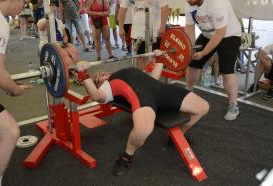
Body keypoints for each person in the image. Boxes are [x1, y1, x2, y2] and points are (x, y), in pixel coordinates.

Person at [76, 50, 209, 176]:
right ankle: (126, 156)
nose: (104, 73)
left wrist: (160, 58)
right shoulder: (108, 86)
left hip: (163, 90)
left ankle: (178, 136)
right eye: (100, 76)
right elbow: (96, 96)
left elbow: (153, 78)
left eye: (104, 72)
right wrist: (84, 75)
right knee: (142, 130)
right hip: (144, 98)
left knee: (203, 107)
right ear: (98, 83)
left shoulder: (127, 72)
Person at [0, 0, 32, 185]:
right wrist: (14, 89)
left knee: (8, 130)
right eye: (24, 1)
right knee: (9, 132)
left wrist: (6, 83)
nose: (24, 5)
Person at [184, 0, 241, 121]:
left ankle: (233, 105)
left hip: (229, 35)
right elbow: (189, 27)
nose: (189, 1)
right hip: (207, 35)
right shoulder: (189, 5)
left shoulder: (217, 3)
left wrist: (204, 53)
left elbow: (220, 33)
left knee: (227, 70)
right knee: (193, 63)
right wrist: (192, 48)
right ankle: (187, 92)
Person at [118, 0, 169, 70]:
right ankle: (143, 78)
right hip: (138, 34)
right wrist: (120, 27)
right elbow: (122, 9)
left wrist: (162, 26)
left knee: (153, 56)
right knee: (140, 57)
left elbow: (165, 7)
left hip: (153, 32)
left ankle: (152, 79)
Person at [37, 0, 80, 82]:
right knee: (63, 53)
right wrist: (49, 18)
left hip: (59, 44)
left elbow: (65, 36)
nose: (52, 7)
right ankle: (75, 74)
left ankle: (74, 68)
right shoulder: (42, 21)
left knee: (72, 48)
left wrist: (65, 43)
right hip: (47, 46)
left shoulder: (59, 21)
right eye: (51, 5)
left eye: (54, 5)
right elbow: (41, 27)